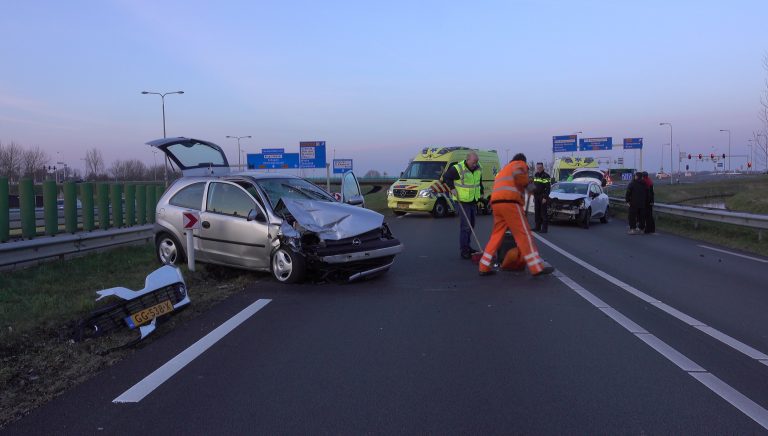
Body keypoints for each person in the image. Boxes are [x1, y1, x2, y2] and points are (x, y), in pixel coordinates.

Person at [478, 153, 554, 277]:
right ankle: (536, 267)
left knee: (496, 235)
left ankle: (484, 266)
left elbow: (510, 184)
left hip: (496, 203)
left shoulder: (504, 170)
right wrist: (529, 185)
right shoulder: (520, 164)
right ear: (522, 160)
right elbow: (521, 179)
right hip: (510, 203)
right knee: (524, 234)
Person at [443, 151, 484, 259]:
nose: (475, 164)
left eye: (477, 162)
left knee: (472, 224)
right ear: (468, 159)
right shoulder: (457, 168)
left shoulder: (478, 168)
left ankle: (468, 246)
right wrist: (452, 188)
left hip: (473, 200)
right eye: (474, 162)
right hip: (462, 201)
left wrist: (482, 192)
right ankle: (464, 250)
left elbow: (479, 181)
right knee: (466, 226)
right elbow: (446, 177)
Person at [532, 162, 551, 233]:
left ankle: (544, 229)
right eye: (538, 168)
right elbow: (534, 186)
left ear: (543, 168)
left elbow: (548, 188)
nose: (539, 169)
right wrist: (534, 196)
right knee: (537, 212)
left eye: (540, 168)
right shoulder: (536, 175)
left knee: (543, 213)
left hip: (543, 196)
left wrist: (545, 198)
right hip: (536, 196)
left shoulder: (546, 176)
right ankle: (537, 227)